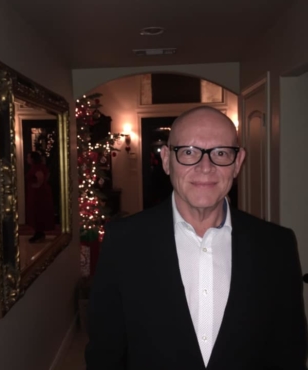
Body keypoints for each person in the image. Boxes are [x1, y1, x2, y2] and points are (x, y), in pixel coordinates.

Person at [85, 106, 307, 370]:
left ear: (238, 162)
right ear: (167, 159)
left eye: (221, 153)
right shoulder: (123, 242)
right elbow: (104, 354)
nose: (205, 167)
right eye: (189, 152)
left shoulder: (276, 246)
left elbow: (289, 354)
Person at [25, 151, 55, 243]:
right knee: (39, 212)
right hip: (40, 193)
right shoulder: (40, 167)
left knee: (37, 212)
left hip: (38, 194)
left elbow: (40, 177)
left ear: (33, 159)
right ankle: (39, 233)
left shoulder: (37, 167)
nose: (27, 159)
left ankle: (39, 233)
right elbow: (47, 175)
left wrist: (38, 185)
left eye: (28, 157)